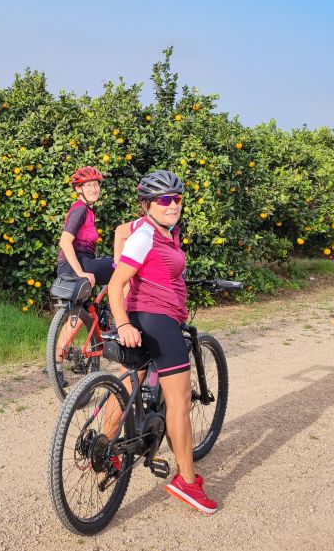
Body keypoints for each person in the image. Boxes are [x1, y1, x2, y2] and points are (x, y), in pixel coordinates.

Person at [106, 169, 219, 515]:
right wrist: (123, 322)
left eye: (178, 198)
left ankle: (108, 447)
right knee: (180, 402)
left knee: (133, 377)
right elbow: (114, 284)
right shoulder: (145, 235)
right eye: (165, 200)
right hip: (156, 321)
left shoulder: (162, 231)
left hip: (149, 317)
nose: (173, 205)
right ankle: (187, 482)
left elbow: (126, 236)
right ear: (147, 205)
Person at [51, 166, 116, 387]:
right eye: (88, 185)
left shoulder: (87, 211)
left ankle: (55, 364)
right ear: (79, 189)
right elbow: (64, 242)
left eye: (96, 185)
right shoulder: (79, 210)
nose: (94, 188)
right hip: (76, 263)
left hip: (72, 264)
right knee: (123, 266)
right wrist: (81, 272)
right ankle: (118, 318)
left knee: (76, 316)